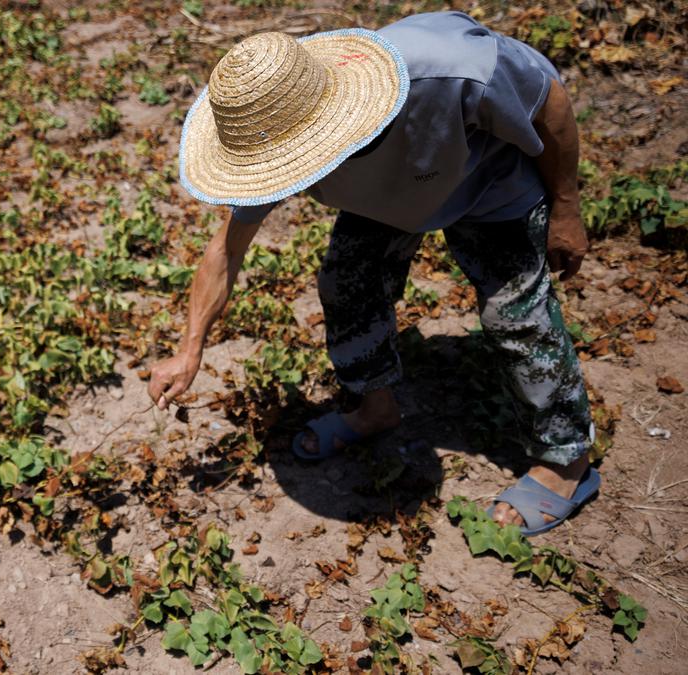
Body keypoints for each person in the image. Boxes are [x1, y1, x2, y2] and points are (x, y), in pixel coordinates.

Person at [147, 11, 598, 535]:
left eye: (296, 160)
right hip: (387, 198)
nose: (285, 175)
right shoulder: (268, 129)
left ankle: (566, 461)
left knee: (515, 316)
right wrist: (189, 348)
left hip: (487, 176)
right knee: (347, 282)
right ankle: (373, 408)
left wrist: (567, 208)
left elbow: (551, 102)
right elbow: (226, 250)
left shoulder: (453, 73)